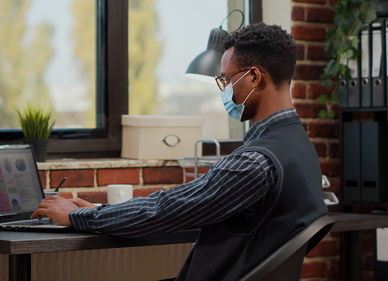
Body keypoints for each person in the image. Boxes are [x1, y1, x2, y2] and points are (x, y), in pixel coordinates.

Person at [31, 23, 327, 280]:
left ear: (253, 77)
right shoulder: (300, 146)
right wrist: (99, 210)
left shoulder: (255, 162)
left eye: (225, 79)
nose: (222, 88)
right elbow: (183, 204)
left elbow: (165, 210)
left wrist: (77, 217)